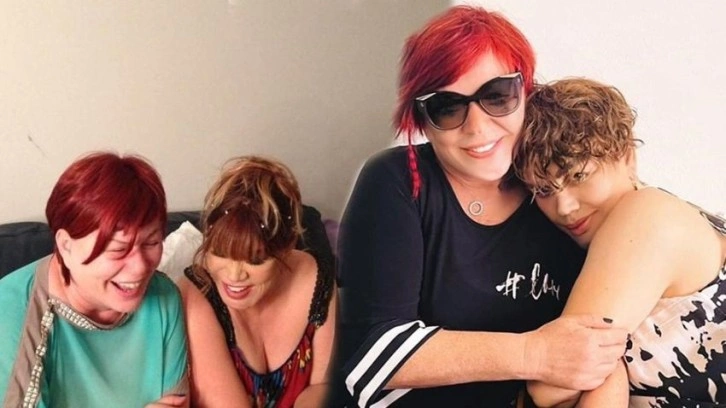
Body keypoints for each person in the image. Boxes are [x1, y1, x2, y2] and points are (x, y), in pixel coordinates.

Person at [329, 5, 628, 408]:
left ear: (526, 91)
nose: (477, 127)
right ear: (421, 118)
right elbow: (373, 354)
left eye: (497, 96)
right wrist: (534, 353)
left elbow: (599, 350)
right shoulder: (396, 181)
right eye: (447, 106)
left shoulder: (559, 198)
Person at [514, 77, 726, 407]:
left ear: (627, 156)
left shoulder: (648, 215)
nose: (564, 207)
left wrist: (609, 376)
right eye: (544, 190)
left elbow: (549, 388)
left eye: (578, 176)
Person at [0, 152, 189, 408]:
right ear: (66, 246)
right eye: (118, 249)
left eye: (152, 243)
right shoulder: (10, 312)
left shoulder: (164, 297)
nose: (140, 267)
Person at [179, 156, 336, 408]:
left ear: (286, 247)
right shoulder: (196, 292)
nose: (234, 275)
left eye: (255, 260)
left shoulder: (317, 276)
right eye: (219, 253)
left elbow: (322, 386)